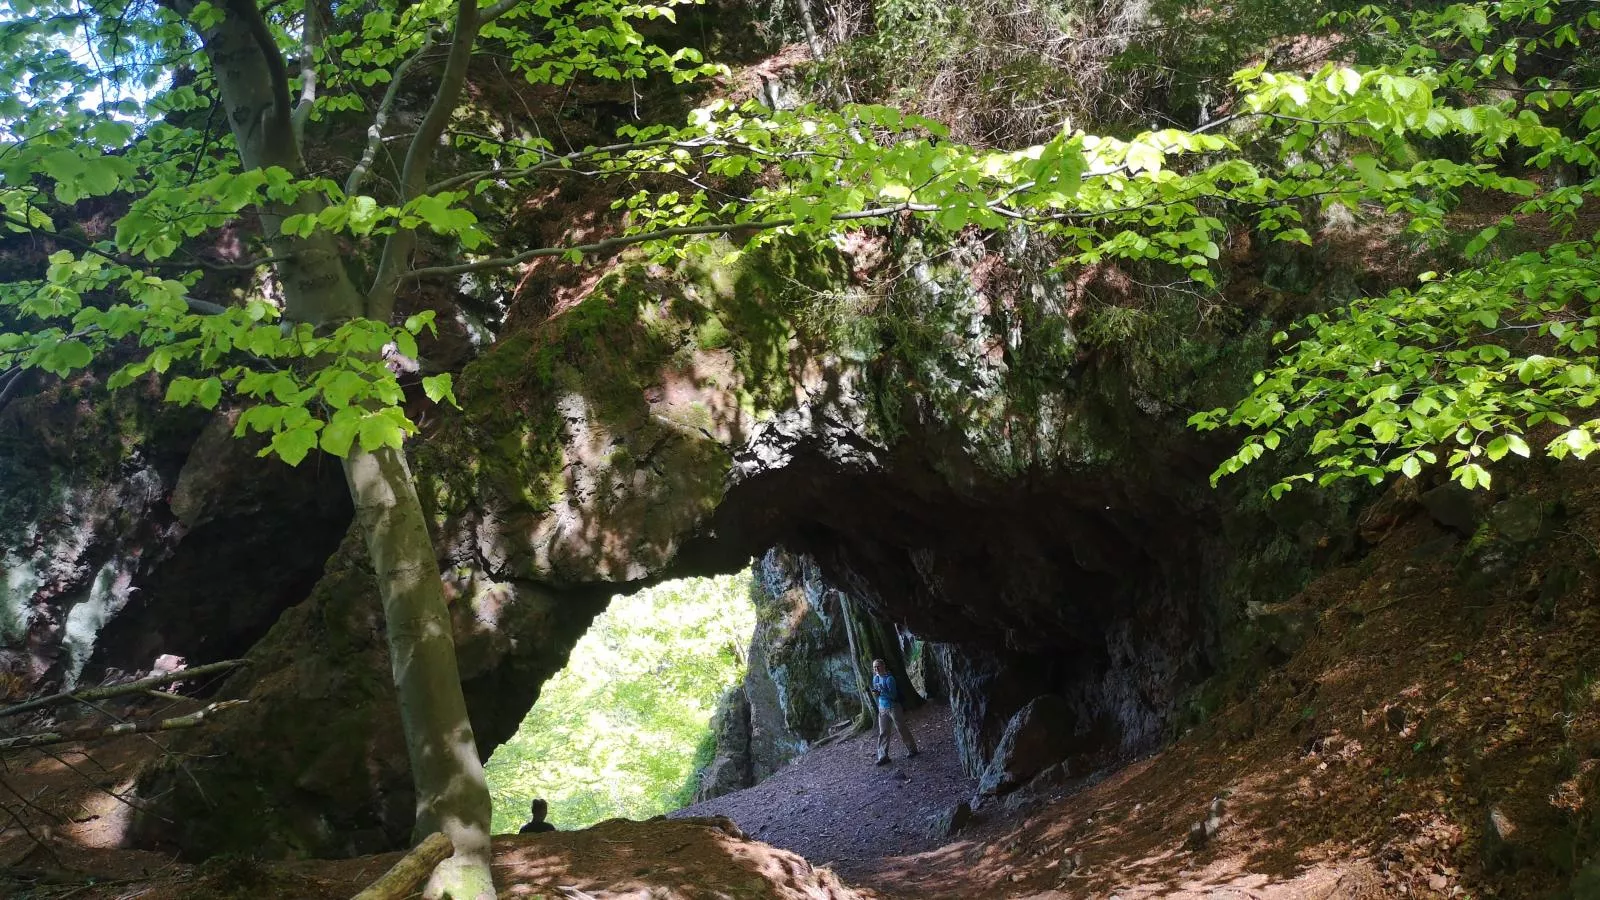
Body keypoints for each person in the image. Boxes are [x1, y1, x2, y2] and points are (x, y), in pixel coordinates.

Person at [870, 658, 918, 765]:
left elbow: (893, 695)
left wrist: (881, 692)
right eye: (874, 667)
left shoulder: (889, 679)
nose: (876, 669)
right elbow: (877, 695)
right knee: (883, 733)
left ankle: (912, 749)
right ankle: (883, 756)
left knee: (901, 728)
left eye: (878, 666)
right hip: (882, 708)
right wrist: (878, 700)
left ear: (883, 666)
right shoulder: (875, 679)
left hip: (893, 707)